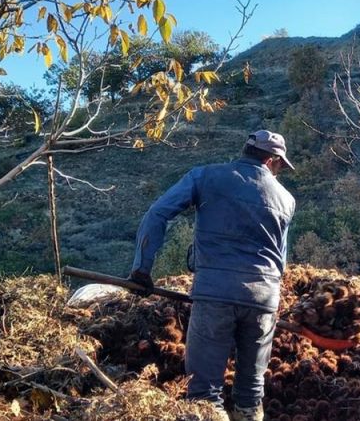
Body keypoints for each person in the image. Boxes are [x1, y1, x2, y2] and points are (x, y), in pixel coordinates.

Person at [127, 130, 296, 421]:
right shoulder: (286, 199)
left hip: (215, 294)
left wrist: (142, 269)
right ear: (272, 160)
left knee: (204, 394)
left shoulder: (205, 176)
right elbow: (279, 261)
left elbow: (158, 213)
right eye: (280, 165)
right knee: (251, 393)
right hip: (264, 299)